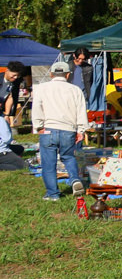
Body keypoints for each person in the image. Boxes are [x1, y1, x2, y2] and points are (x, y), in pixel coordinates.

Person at [31, 60, 87, 201]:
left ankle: (53, 194)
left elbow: (37, 107)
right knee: (68, 157)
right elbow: (81, 111)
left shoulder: (41, 88)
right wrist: (81, 130)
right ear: (68, 75)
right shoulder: (75, 90)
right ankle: (74, 179)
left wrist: (38, 126)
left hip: (48, 128)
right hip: (68, 129)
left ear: (51, 74)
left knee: (48, 163)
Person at [1, 61, 24, 126]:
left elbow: (10, 97)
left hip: (3, 111)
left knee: (6, 131)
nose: (16, 77)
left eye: (18, 75)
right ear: (7, 71)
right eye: (14, 75)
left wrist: (7, 115)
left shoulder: (16, 81)